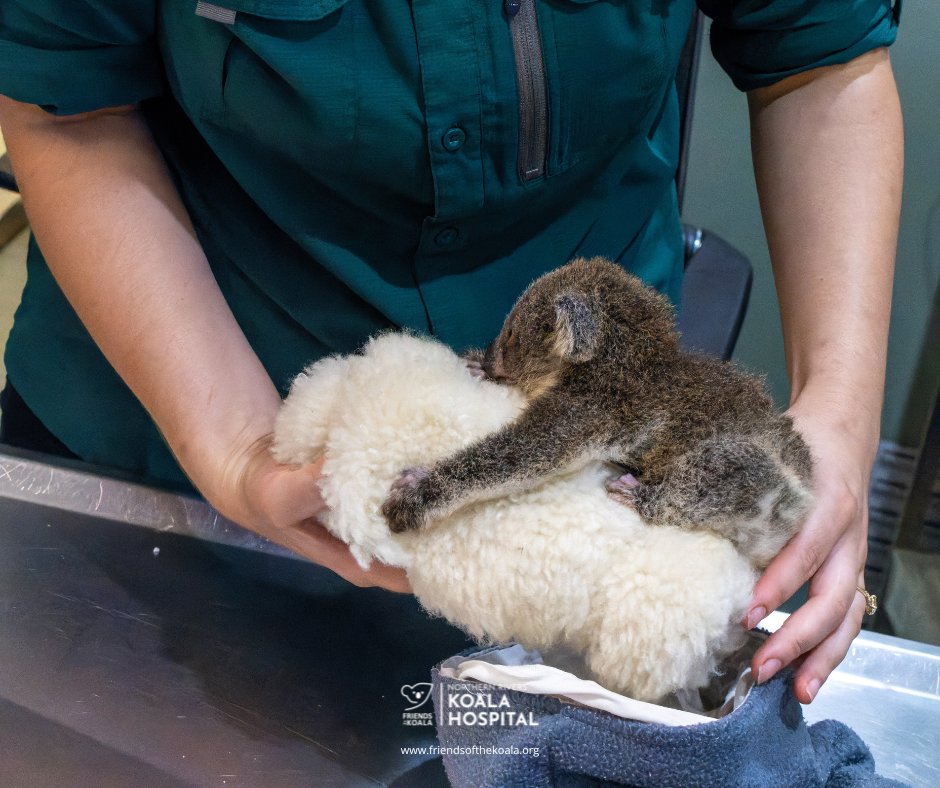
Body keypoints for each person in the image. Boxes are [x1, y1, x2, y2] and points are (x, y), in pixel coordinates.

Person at [0, 1, 902, 705]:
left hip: (589, 505)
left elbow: (822, 59)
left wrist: (842, 413)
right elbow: (68, 105)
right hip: (167, 431)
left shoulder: (588, 401)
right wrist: (233, 444)